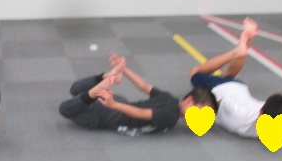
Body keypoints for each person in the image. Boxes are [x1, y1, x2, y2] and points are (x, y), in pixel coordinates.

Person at [189, 17, 282, 138]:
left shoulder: (240, 115)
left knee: (196, 73)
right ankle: (243, 46)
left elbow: (220, 101)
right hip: (233, 91)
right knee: (226, 77)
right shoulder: (271, 131)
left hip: (236, 89)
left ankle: (239, 49)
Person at [59, 52, 217, 136]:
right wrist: (113, 104)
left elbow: (144, 86)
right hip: (108, 115)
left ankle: (104, 78)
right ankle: (95, 91)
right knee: (65, 110)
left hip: (120, 103)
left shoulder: (170, 99)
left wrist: (124, 69)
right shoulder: (170, 116)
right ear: (189, 101)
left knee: (75, 91)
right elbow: (141, 113)